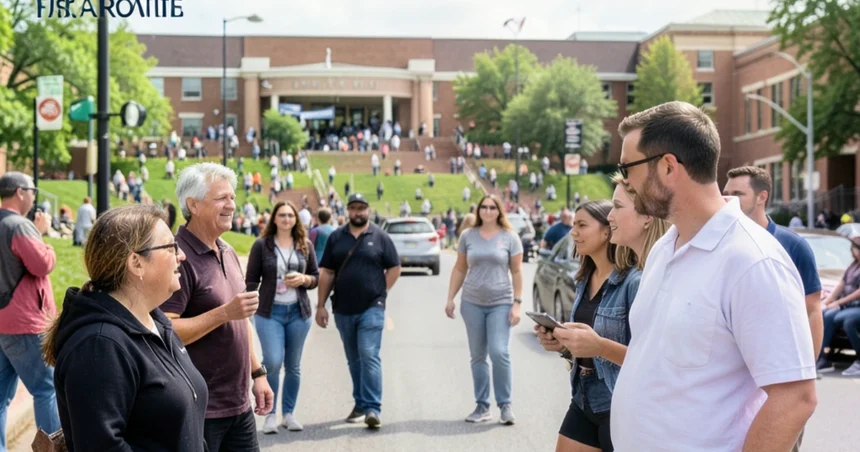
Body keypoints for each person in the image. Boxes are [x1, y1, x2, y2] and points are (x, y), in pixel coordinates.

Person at [611, 101, 816, 451]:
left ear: (668, 166)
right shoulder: (664, 248)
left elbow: (795, 397)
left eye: (627, 167)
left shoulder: (753, 261)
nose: (626, 179)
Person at [43, 205, 208, 451]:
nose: (181, 255)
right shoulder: (99, 345)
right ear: (136, 263)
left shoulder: (156, 322)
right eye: (171, 246)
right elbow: (103, 446)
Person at [536, 183, 669, 452]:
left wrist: (598, 346)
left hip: (616, 402)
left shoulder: (634, 282)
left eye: (582, 225)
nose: (573, 232)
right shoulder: (584, 278)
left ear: (606, 231)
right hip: (583, 395)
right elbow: (590, 346)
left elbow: (649, 361)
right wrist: (564, 345)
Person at [163, 163, 274, 452]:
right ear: (193, 205)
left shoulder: (227, 250)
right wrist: (225, 313)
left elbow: (241, 321)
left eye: (232, 197)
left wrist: (258, 374)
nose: (232, 205)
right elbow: (165, 330)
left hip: (239, 407)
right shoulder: (177, 256)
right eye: (222, 198)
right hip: (200, 411)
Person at [724, 168, 823, 385]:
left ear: (762, 197)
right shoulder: (719, 243)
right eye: (726, 194)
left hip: (779, 367)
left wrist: (808, 370)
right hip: (730, 368)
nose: (729, 200)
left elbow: (812, 309)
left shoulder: (793, 245)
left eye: (738, 194)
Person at [315, 193, 401, 429]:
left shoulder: (380, 237)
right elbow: (327, 273)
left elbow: (394, 267)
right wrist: (321, 305)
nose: (358, 212)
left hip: (372, 307)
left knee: (368, 353)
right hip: (343, 308)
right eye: (353, 208)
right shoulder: (336, 238)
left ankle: (373, 408)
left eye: (362, 208)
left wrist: (381, 292)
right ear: (348, 211)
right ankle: (360, 404)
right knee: (354, 359)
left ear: (368, 210)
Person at [445, 195, 523, 425]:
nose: (488, 211)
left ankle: (505, 405)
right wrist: (450, 298)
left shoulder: (510, 237)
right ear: (478, 210)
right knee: (478, 356)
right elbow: (460, 268)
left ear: (499, 211)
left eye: (492, 207)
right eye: (484, 207)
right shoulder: (468, 236)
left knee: (499, 352)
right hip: (472, 302)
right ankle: (482, 406)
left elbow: (517, 271)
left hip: (501, 302)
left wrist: (517, 303)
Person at [245, 201, 320, 433]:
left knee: (293, 366)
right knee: (273, 362)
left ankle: (288, 414)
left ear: (296, 219)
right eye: (282, 215)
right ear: (275, 219)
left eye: (290, 215)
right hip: (270, 312)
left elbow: (315, 277)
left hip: (299, 312)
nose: (287, 219)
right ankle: (270, 415)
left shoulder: (305, 244)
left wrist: (304, 279)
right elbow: (251, 279)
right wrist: (247, 309)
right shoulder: (262, 245)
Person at [0, 172, 61, 449]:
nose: (34, 196)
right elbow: (42, 264)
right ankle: (53, 449)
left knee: (1, 398)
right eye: (32, 190)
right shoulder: (19, 226)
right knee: (46, 389)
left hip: (3, 322)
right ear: (19, 192)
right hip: (24, 323)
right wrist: (42, 235)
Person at [817, 235, 860, 376]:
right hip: (848, 305)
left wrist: (838, 303)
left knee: (846, 320)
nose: (854, 251)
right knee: (826, 315)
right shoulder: (853, 266)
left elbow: (857, 293)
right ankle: (822, 357)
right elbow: (841, 285)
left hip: (855, 306)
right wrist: (826, 302)